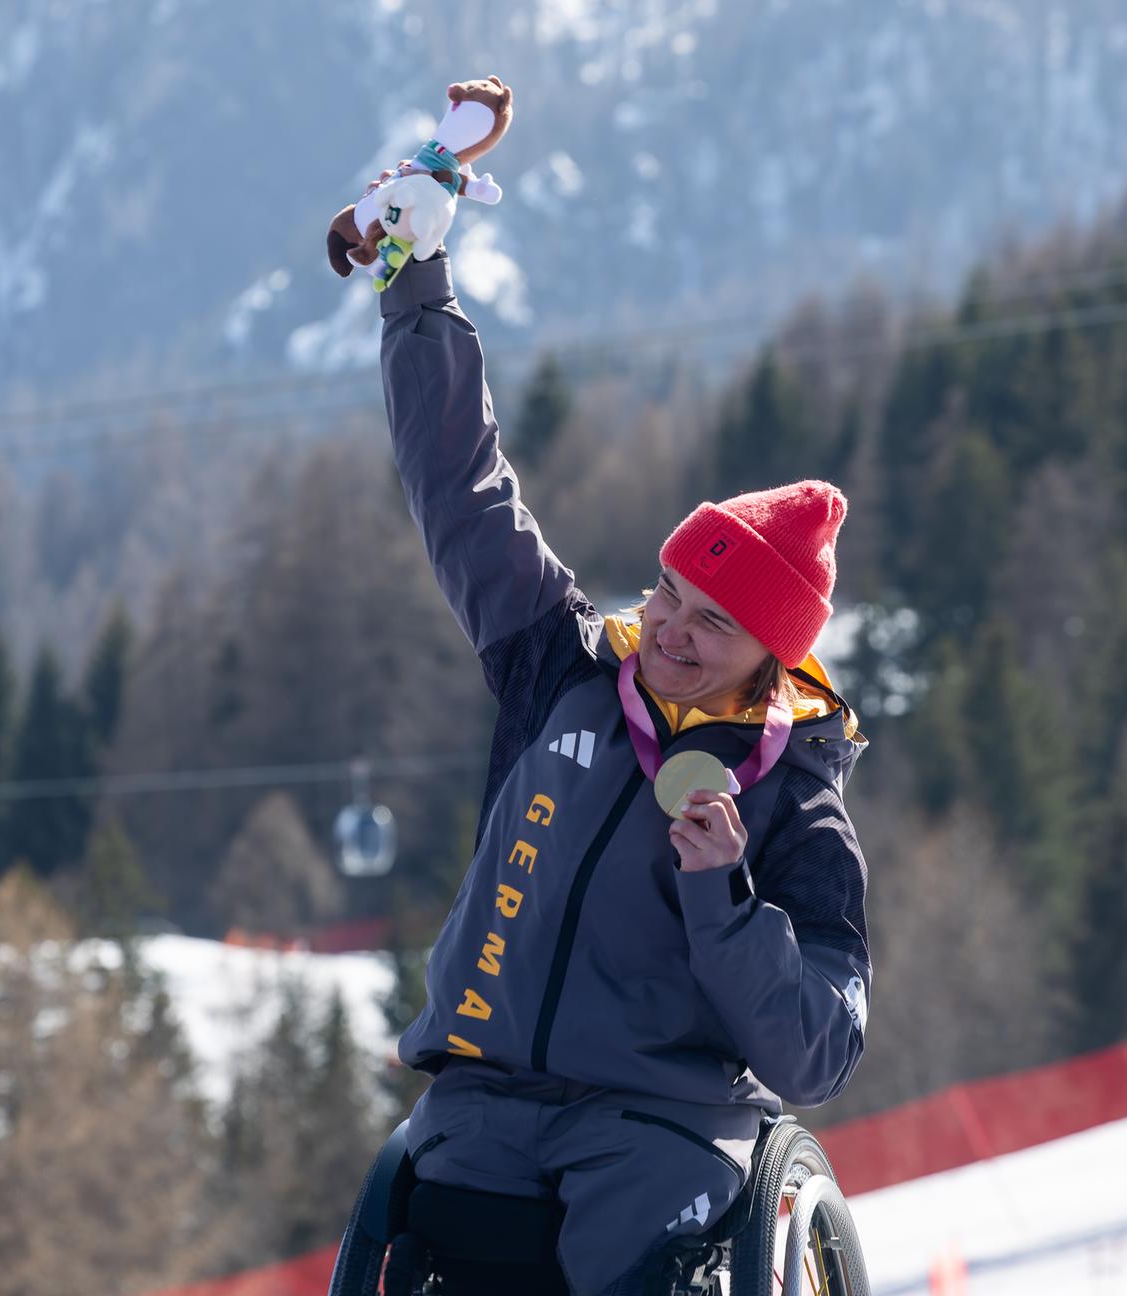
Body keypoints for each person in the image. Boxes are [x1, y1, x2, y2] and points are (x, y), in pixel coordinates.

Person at [373, 245, 870, 1295]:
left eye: (715, 624)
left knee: (631, 1264)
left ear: (773, 657)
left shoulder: (798, 799)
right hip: (488, 1100)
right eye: (667, 595)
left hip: (663, 1124)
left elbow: (816, 1054)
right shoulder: (560, 663)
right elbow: (463, 489)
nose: (671, 633)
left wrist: (722, 898)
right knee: (451, 1247)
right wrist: (418, 295)